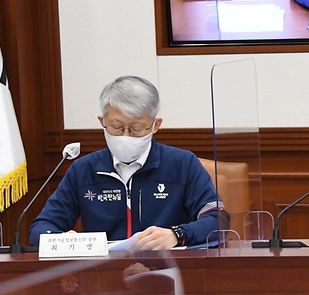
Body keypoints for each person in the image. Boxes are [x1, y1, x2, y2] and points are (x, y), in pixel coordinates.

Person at [29, 76, 227, 249]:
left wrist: (176, 235)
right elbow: (40, 228)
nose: (125, 136)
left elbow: (218, 220)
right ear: (102, 122)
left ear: (156, 125)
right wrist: (60, 240)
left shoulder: (182, 164)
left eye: (136, 128)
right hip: (104, 280)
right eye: (116, 127)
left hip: (168, 275)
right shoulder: (83, 170)